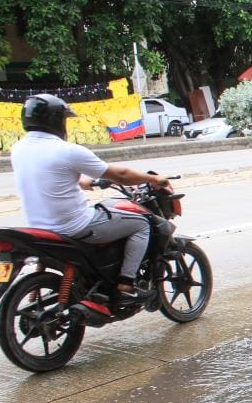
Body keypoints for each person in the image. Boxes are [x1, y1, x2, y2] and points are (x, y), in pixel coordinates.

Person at [11, 95, 171, 303]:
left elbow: (46, 176)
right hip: (74, 226)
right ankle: (125, 283)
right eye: (63, 120)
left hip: (40, 227)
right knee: (141, 223)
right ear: (54, 120)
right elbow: (120, 175)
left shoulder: (19, 149)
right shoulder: (67, 151)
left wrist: (80, 181)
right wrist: (154, 178)